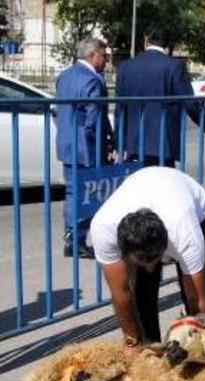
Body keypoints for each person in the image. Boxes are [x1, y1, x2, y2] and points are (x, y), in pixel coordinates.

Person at [88, 167, 205, 359]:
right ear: (124, 250)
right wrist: (132, 342)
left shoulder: (184, 234)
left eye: (155, 260)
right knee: (142, 293)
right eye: (141, 262)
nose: (149, 267)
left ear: (166, 247)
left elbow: (198, 300)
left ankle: (197, 354)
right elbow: (121, 293)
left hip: (197, 209)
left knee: (192, 300)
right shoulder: (103, 229)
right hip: (151, 190)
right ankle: (152, 352)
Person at [55, 37, 113, 259]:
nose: (105, 60)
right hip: (87, 148)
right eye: (103, 56)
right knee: (92, 192)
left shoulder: (65, 76)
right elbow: (94, 118)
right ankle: (82, 239)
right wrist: (106, 143)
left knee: (72, 191)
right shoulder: (92, 80)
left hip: (68, 145)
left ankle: (72, 238)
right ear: (92, 55)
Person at [115, 26, 195, 168]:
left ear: (146, 41)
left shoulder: (126, 67)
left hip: (133, 145)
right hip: (163, 145)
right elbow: (189, 103)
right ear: (166, 43)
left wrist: (118, 143)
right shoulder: (175, 66)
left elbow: (120, 109)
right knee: (162, 188)